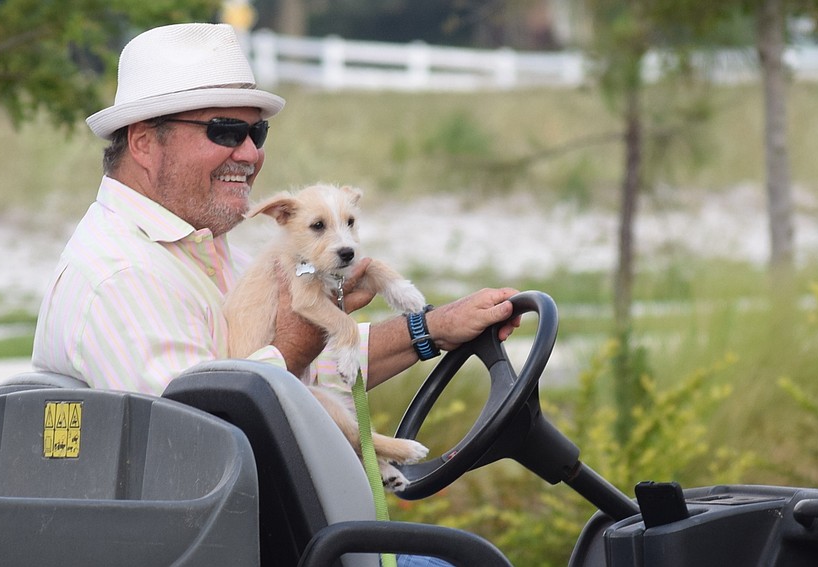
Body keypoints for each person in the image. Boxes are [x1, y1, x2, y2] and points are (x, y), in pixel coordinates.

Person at [31, 23, 519, 567]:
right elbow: (200, 439)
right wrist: (300, 333)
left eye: (256, 133)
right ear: (145, 142)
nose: (249, 153)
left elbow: (308, 373)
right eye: (224, 130)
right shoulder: (120, 276)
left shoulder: (200, 248)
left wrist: (431, 330)